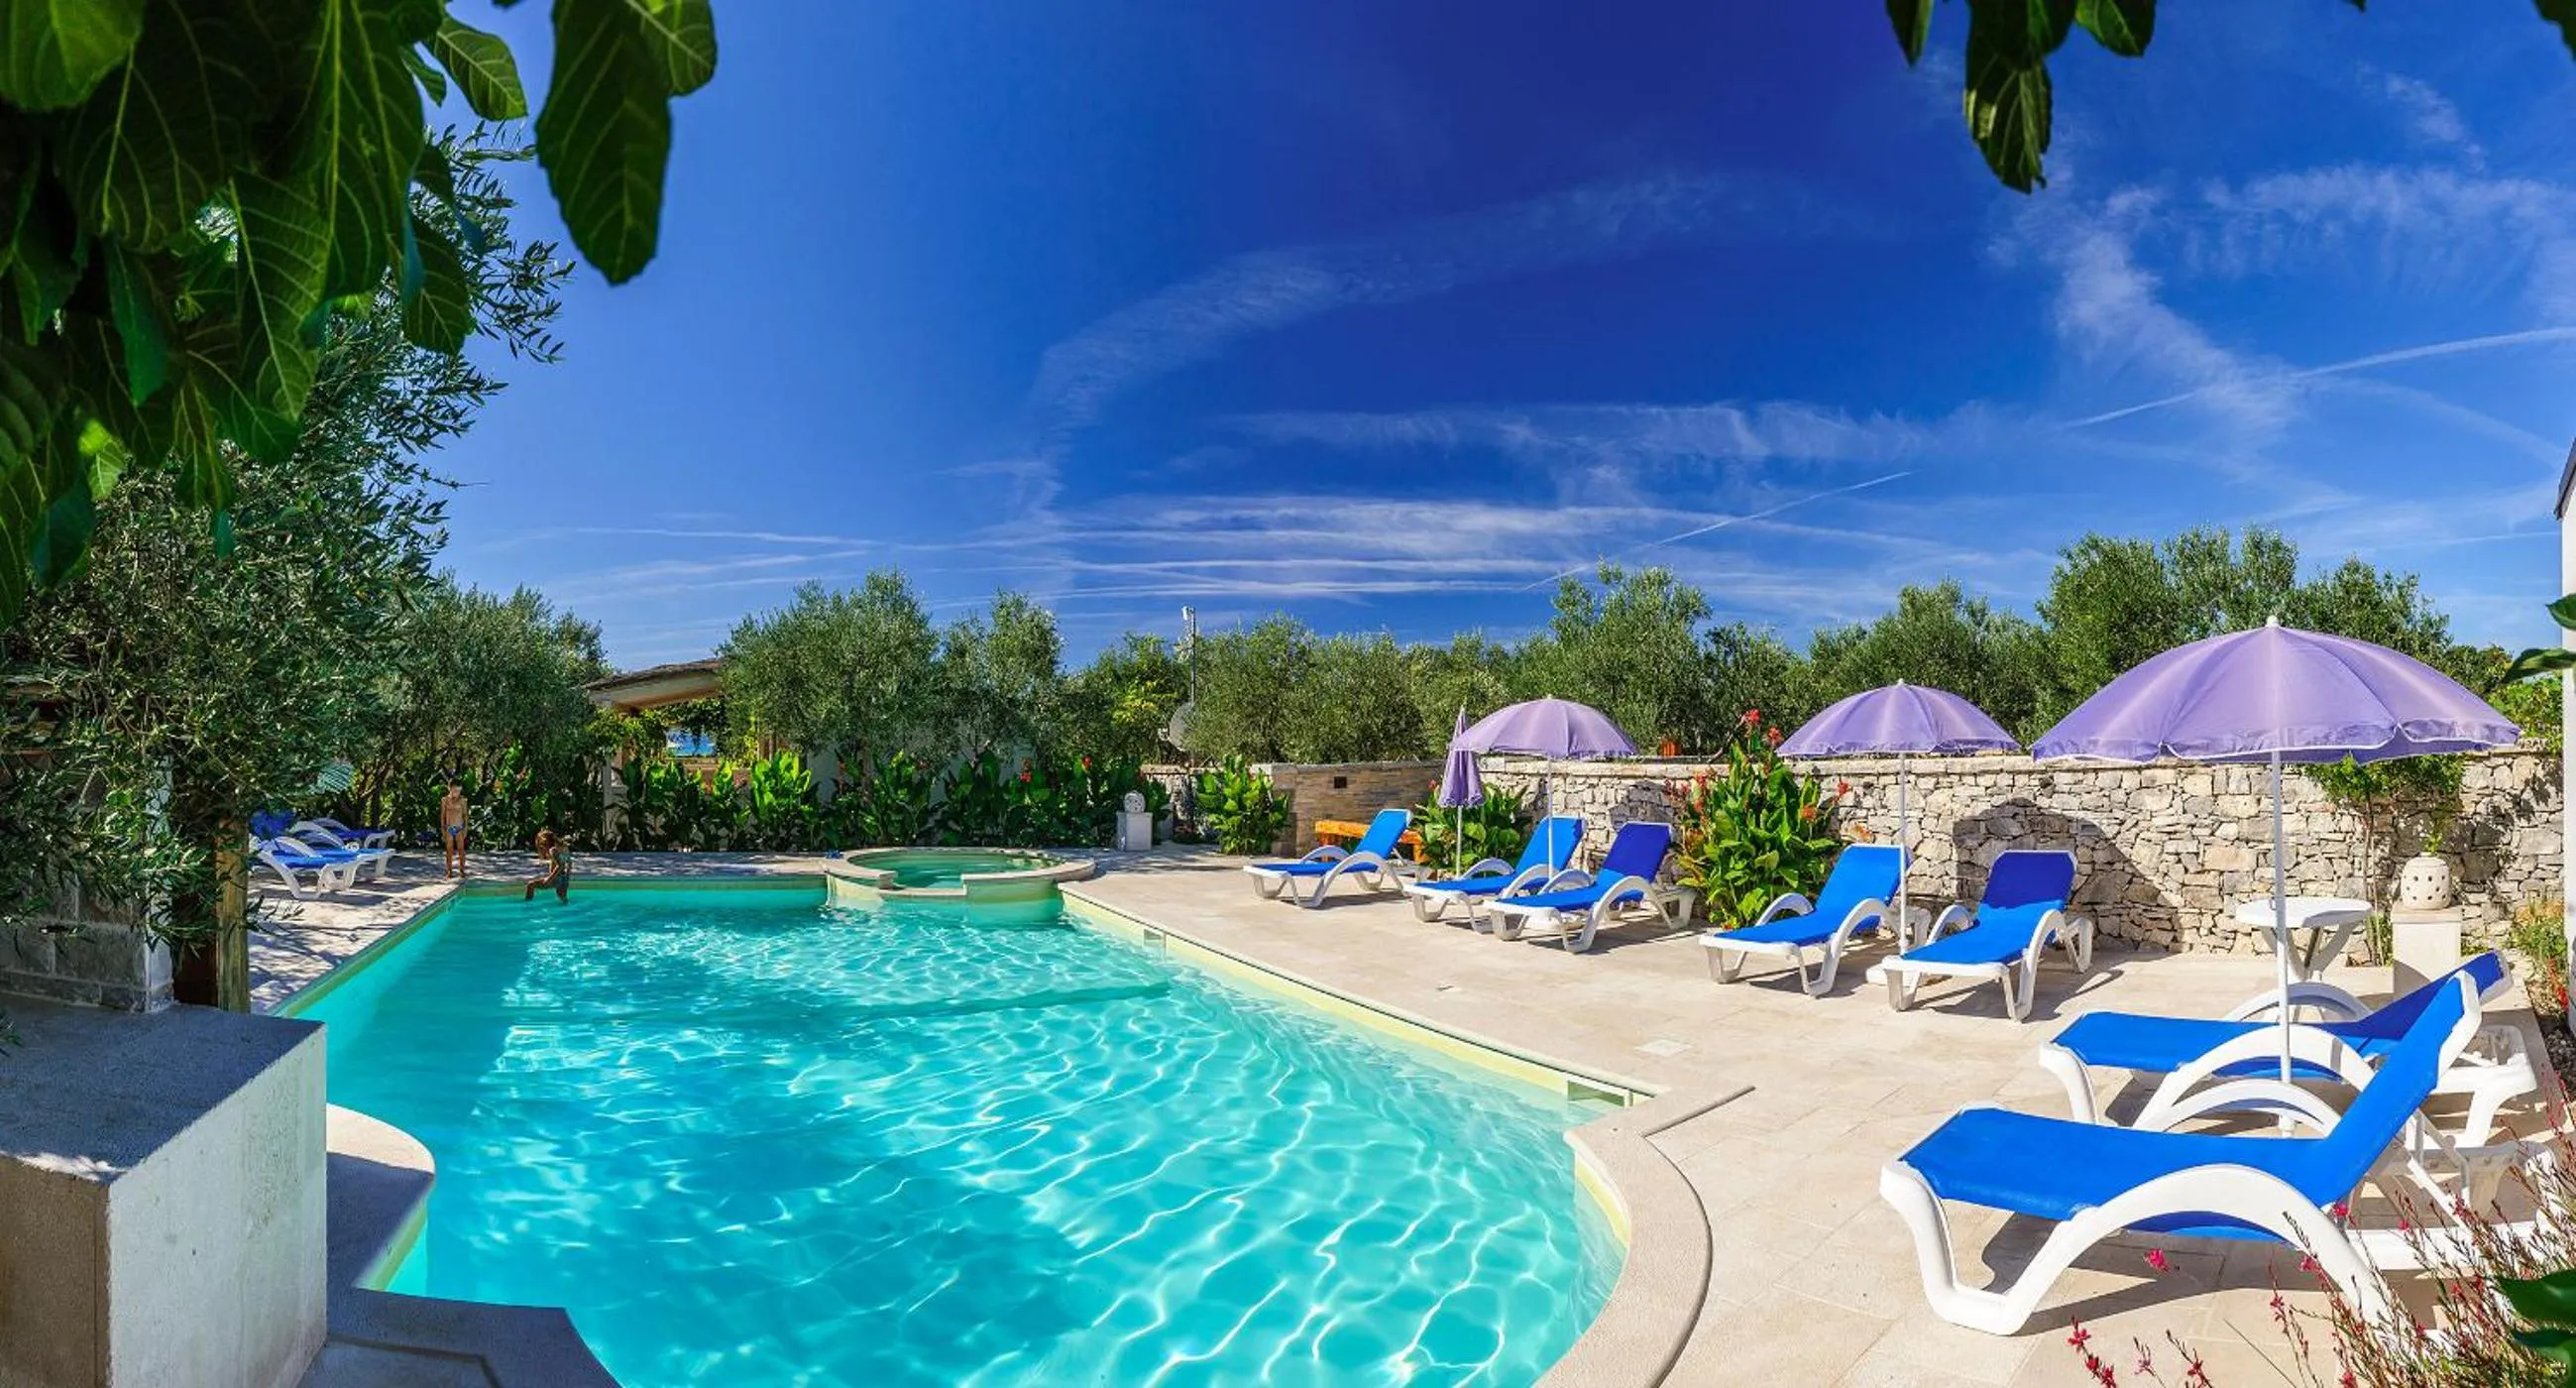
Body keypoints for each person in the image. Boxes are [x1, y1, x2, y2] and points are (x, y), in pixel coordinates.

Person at [524, 828, 571, 902]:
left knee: (531, 885)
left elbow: (561, 865)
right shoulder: (564, 848)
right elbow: (569, 863)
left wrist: (549, 879)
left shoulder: (553, 850)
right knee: (563, 900)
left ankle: (527, 906)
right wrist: (567, 879)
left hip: (556, 879)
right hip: (564, 878)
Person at [441, 779, 470, 879]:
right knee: (449, 850)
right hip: (449, 827)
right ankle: (449, 871)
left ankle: (462, 870)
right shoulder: (445, 800)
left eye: (458, 791)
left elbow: (465, 815)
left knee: (461, 850)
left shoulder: (463, 801)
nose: (456, 793)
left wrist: (466, 828)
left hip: (459, 828)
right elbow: (443, 815)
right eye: (455, 791)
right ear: (449, 789)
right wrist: (443, 829)